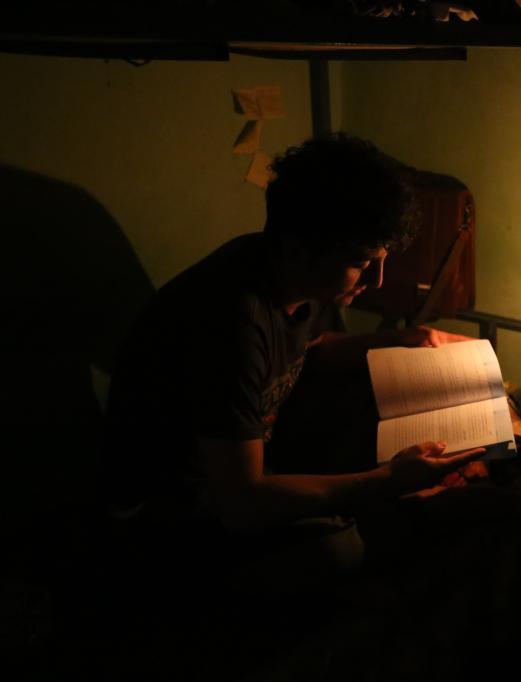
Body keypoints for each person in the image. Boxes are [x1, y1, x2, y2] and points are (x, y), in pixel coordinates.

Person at [101, 132, 489, 588]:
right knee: (343, 551)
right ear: (298, 248)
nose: (378, 280)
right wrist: (386, 480)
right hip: (171, 510)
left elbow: (309, 346)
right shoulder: (231, 321)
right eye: (363, 263)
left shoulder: (296, 275)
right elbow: (240, 501)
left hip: (242, 469)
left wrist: (403, 339)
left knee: (368, 415)